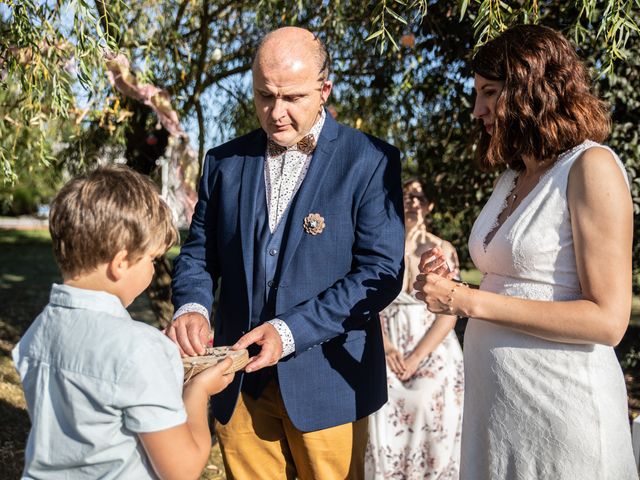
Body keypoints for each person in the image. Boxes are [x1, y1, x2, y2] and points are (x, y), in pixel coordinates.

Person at [167, 26, 405, 479]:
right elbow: (198, 253)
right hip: (237, 382)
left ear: (324, 90)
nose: (276, 112)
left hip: (329, 382)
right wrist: (192, 306)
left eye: (292, 97)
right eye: (264, 96)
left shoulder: (370, 160)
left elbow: (381, 271)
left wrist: (289, 331)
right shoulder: (223, 162)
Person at [414, 24, 638, 479]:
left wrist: (465, 301)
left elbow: (608, 320)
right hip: (499, 415)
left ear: (531, 88)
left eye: (489, 93)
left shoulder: (591, 167)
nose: (477, 111)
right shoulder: (512, 177)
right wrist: (451, 282)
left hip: (561, 412)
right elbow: (517, 279)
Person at [12, 166, 235, 479]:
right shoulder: (141, 350)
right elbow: (182, 469)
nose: (151, 270)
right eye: (151, 260)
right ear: (120, 263)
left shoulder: (38, 330)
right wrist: (197, 391)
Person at [365, 179, 464, 479]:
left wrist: (417, 357)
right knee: (378, 401)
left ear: (429, 205)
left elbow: (450, 312)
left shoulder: (441, 249)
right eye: (407, 195)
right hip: (385, 339)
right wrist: (386, 346)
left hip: (429, 343)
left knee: (426, 398)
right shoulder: (380, 246)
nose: (413, 202)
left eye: (419, 197)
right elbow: (366, 302)